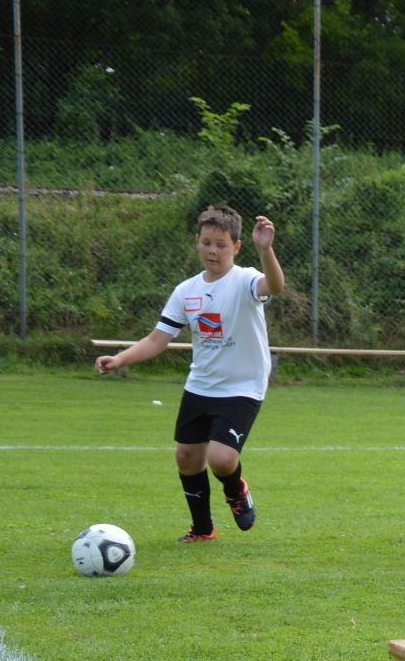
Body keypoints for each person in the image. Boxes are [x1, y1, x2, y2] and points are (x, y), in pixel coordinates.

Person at [96, 204, 285, 542]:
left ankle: (236, 490)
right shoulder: (186, 291)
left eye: (221, 245)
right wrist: (120, 359)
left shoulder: (244, 280)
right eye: (207, 243)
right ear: (197, 241)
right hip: (201, 385)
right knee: (186, 457)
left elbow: (275, 285)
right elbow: (157, 339)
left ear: (236, 247)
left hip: (242, 386)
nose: (213, 251)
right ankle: (202, 529)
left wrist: (266, 250)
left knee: (221, 458)